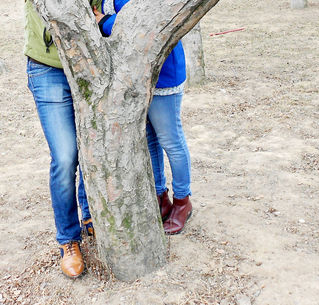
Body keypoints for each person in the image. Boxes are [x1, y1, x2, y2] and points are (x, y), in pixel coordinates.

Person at [92, 0, 193, 234]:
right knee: (150, 140)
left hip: (163, 72)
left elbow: (146, 23)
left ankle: (182, 201)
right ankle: (160, 196)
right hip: (137, 75)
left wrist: (104, 22)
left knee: (170, 140)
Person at [24, 0, 94, 278]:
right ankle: (68, 238)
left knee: (92, 148)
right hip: (47, 68)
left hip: (88, 63)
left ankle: (90, 215)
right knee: (66, 157)